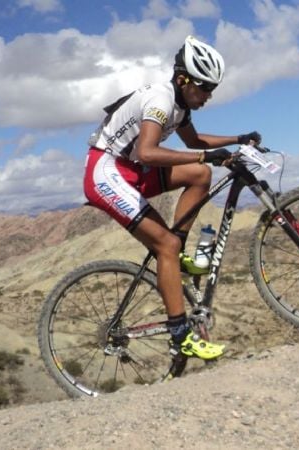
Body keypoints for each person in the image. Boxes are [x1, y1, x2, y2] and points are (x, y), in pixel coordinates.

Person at [83, 35, 262, 358]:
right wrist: (205, 157)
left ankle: (175, 254)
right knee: (166, 242)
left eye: (213, 89)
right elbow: (148, 152)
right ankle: (181, 336)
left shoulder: (180, 106)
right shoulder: (161, 101)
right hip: (106, 171)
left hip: (131, 169)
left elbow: (194, 142)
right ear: (183, 80)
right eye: (204, 87)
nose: (209, 95)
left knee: (200, 175)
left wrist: (238, 138)